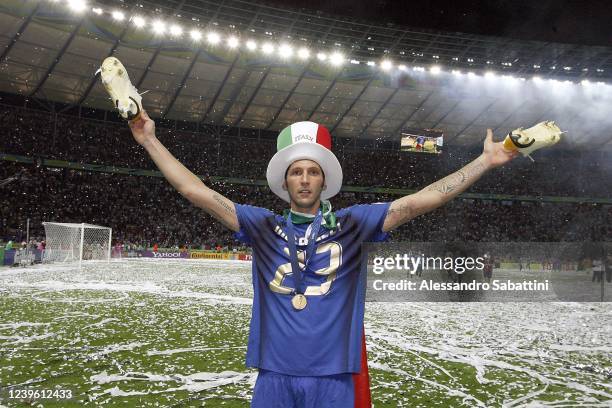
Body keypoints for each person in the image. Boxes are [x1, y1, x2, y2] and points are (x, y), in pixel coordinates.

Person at [128, 111, 517, 407]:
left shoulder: (353, 223)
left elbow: (419, 202)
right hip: (274, 374)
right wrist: (148, 140)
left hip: (334, 378)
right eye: (296, 171)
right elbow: (193, 190)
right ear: (285, 182)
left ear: (323, 181)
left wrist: (483, 162)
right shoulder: (261, 225)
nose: (304, 178)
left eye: (312, 172)